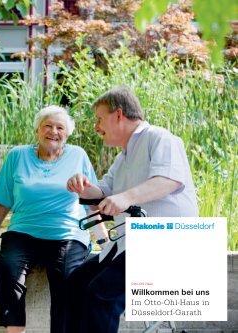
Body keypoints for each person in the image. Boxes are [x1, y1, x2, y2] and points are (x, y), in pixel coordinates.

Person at [65, 86, 198, 333]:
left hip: (171, 245)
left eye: (99, 119)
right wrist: (83, 187)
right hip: (134, 247)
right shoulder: (123, 156)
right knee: (76, 283)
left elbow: (169, 180)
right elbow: (103, 191)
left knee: (101, 294)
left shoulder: (161, 138)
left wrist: (126, 198)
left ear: (118, 115)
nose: (96, 127)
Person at [0, 106, 97, 333]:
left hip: (67, 234)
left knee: (68, 279)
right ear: (37, 129)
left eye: (60, 127)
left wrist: (104, 238)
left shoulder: (78, 155)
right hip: (23, 232)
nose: (53, 131)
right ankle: (15, 331)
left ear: (67, 133)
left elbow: (92, 198)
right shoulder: (18, 155)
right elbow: (2, 202)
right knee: (7, 272)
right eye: (48, 125)